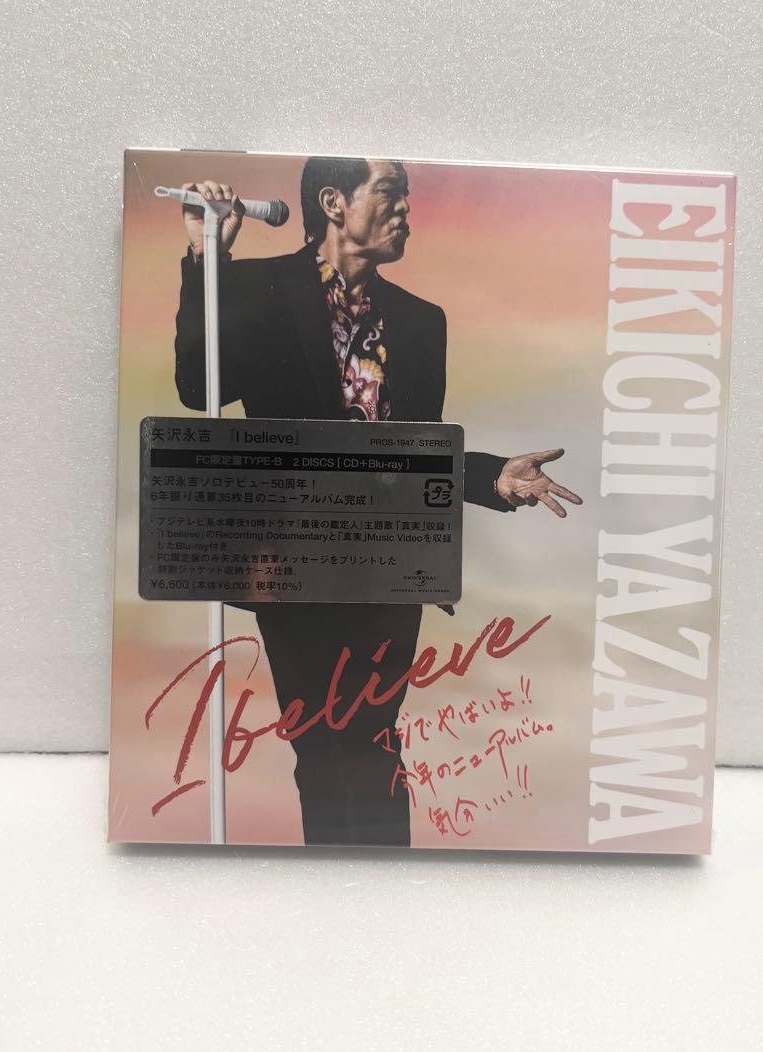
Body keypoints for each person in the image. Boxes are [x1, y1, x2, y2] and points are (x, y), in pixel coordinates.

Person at [171, 157, 581, 846]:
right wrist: (207, 257)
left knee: (374, 738)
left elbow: (409, 458)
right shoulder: (257, 288)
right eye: (390, 193)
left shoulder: (422, 322)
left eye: (407, 197)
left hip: (389, 570)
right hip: (293, 570)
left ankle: (384, 878)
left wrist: (492, 478)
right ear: (334, 201)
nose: (406, 210)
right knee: (319, 743)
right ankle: (334, 881)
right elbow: (196, 388)